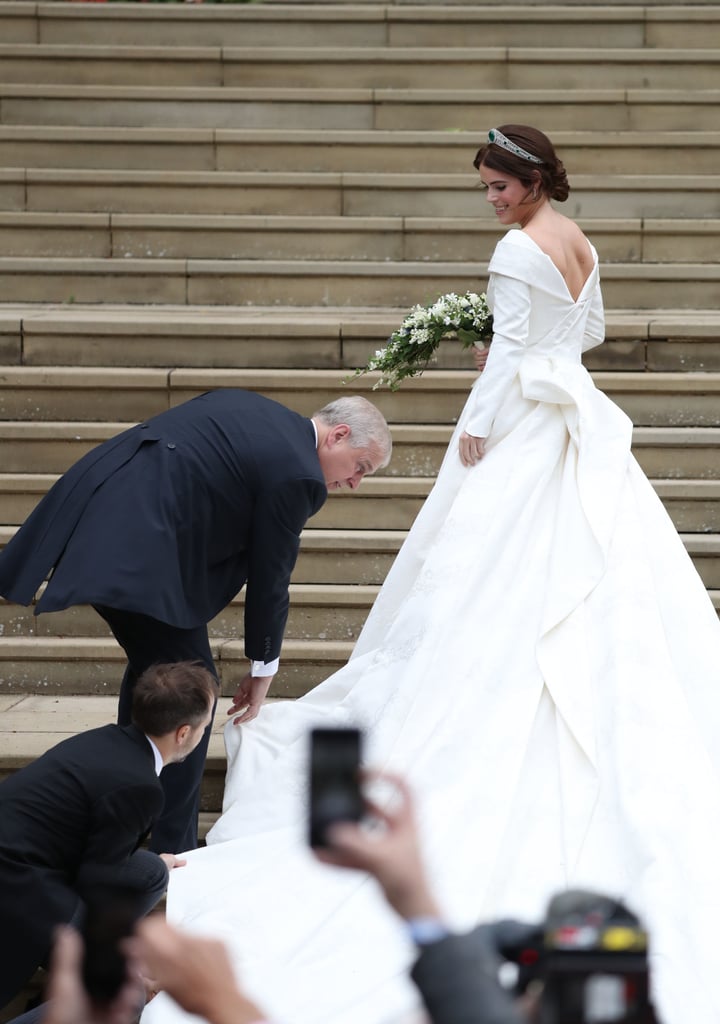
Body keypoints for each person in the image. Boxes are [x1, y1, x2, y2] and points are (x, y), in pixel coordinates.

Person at [142, 126, 720, 1024]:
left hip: (527, 428)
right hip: (577, 426)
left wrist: (477, 422)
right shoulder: (579, 241)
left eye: (500, 185)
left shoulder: (516, 247)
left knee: (480, 581)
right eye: (486, 187)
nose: (492, 199)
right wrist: (528, 359)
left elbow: (513, 368)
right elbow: (589, 333)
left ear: (532, 181)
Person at [0, 389, 391, 853]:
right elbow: (271, 576)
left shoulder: (255, 408)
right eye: (360, 467)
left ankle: (122, 826)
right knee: (191, 689)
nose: (355, 483)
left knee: (159, 680)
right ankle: (172, 850)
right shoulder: (299, 473)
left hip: (107, 508)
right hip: (137, 545)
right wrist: (263, 667)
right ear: (338, 435)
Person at [0, 660, 218, 1015]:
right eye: (205, 725)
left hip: (33, 866)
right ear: (183, 733)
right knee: (125, 996)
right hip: (21, 893)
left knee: (151, 871)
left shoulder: (108, 740)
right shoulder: (140, 787)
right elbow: (96, 889)